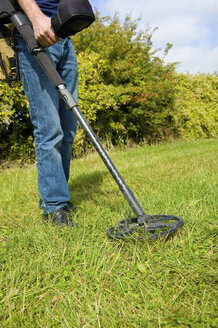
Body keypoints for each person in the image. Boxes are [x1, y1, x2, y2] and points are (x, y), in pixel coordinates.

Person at [15, 0, 78, 225]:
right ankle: (55, 206)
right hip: (34, 32)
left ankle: (56, 196)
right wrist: (36, 17)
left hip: (63, 38)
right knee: (49, 127)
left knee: (69, 127)